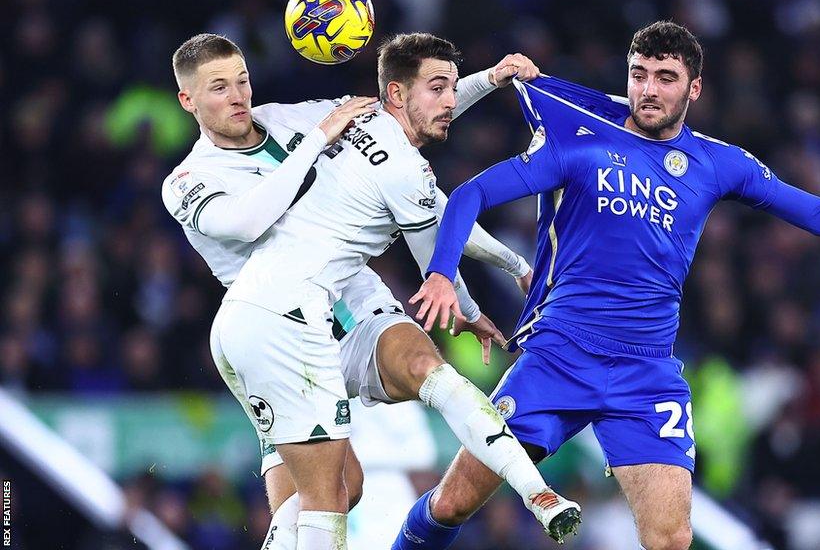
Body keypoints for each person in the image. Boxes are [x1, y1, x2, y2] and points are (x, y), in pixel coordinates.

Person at [404, 20, 820, 550]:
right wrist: (441, 273)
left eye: (665, 77)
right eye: (639, 75)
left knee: (671, 539)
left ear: (695, 88)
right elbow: (471, 194)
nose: (649, 90)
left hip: (646, 373)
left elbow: (813, 210)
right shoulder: (580, 142)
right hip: (560, 356)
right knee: (453, 503)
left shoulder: (718, 163)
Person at [163, 32, 581, 549]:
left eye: (242, 81)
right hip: (273, 321)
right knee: (329, 495)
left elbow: (400, 113)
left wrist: (489, 81)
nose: (238, 96)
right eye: (219, 88)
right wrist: (319, 139)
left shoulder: (287, 118)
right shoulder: (188, 180)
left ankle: (538, 494)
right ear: (188, 101)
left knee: (417, 384)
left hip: (349, 299)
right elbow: (248, 222)